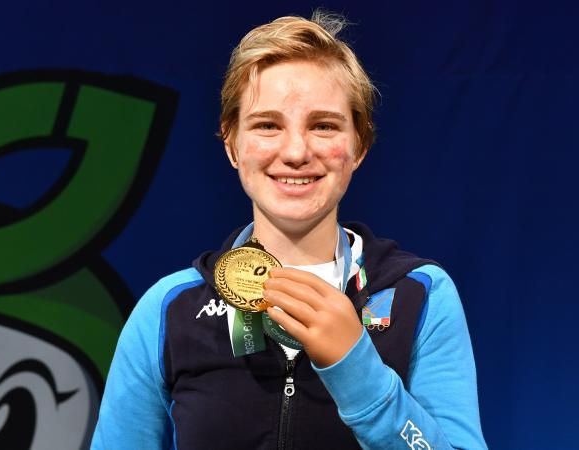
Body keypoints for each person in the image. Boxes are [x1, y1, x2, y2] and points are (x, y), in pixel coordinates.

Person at [92, 11, 486, 450]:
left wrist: (357, 371)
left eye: (323, 125)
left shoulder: (420, 295)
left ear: (360, 144)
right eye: (267, 125)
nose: (296, 151)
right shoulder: (169, 310)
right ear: (232, 144)